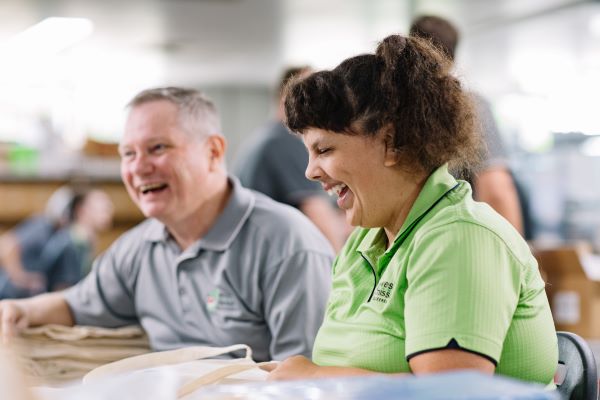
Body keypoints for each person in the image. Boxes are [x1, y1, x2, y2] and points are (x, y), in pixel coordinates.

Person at [265, 35, 557, 384]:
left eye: (325, 150)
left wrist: (313, 376)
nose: (310, 171)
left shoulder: (461, 238)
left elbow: (450, 394)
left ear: (390, 143)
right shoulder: (364, 243)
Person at [0, 87, 334, 362]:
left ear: (213, 151)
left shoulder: (286, 244)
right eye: (128, 154)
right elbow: (74, 304)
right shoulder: (138, 248)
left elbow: (302, 382)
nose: (139, 168)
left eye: (158, 148)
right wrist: (18, 309)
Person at [410, 15, 525, 236]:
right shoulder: (468, 106)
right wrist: (517, 260)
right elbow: (496, 189)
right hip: (453, 242)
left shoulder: (385, 108)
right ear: (452, 57)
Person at [234, 67, 349, 251]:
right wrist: (340, 267)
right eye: (312, 94)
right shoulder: (283, 141)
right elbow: (315, 210)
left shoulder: (263, 138)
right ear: (286, 99)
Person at [0, 187, 114, 299]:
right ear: (80, 210)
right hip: (13, 296)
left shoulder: (78, 241)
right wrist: (21, 278)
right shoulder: (59, 237)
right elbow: (7, 244)